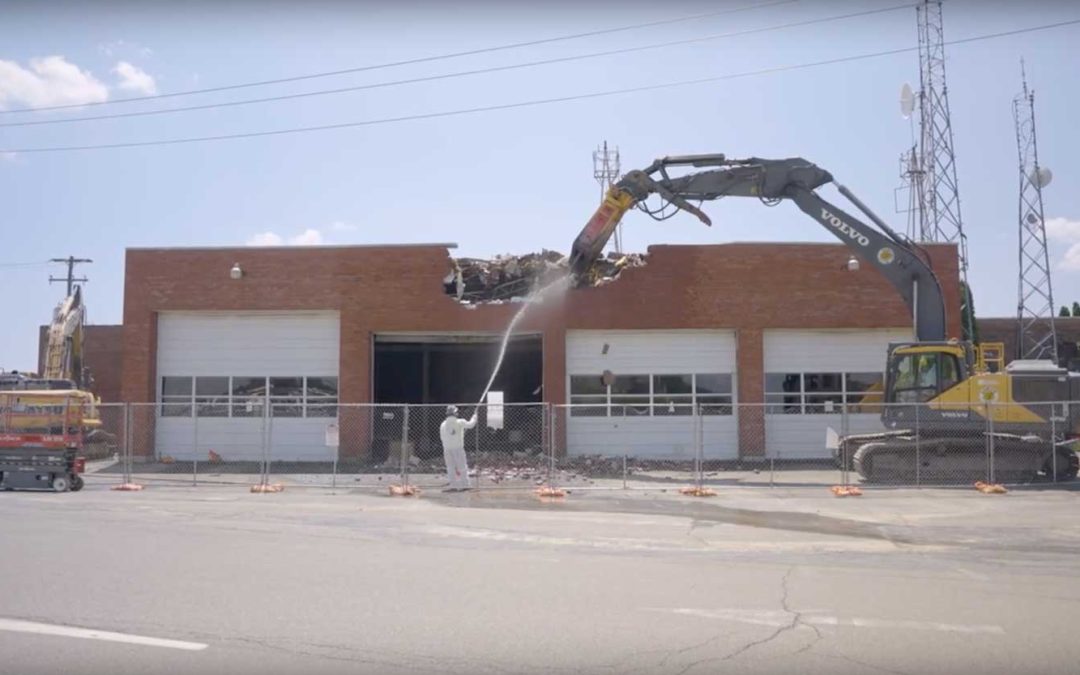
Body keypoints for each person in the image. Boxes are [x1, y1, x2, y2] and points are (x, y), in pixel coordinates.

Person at [439, 405, 476, 491]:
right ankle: (465, 484)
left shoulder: (443, 424)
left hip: (447, 449)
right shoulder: (460, 422)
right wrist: (475, 417)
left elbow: (442, 437)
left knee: (450, 467)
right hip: (458, 448)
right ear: (455, 413)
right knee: (462, 466)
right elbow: (471, 425)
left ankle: (453, 485)